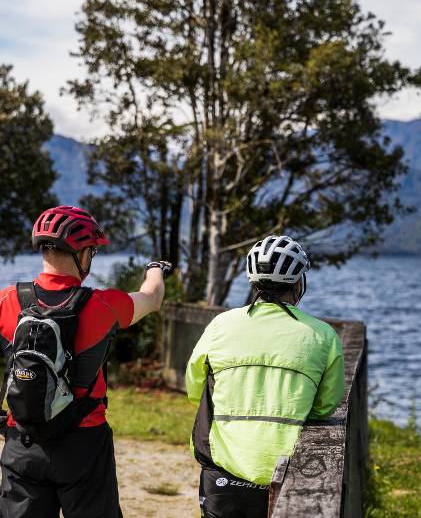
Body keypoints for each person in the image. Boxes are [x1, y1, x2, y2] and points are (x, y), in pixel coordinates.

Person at [0, 206, 173, 517]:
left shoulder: (7, 300)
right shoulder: (103, 305)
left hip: (22, 442)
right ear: (81, 254)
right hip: (84, 444)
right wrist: (156, 269)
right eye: (92, 251)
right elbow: (152, 297)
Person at [186, 235, 344, 518]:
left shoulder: (221, 324)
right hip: (288, 470)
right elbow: (324, 406)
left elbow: (193, 387)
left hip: (223, 465)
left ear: (253, 282)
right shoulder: (323, 335)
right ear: (298, 284)